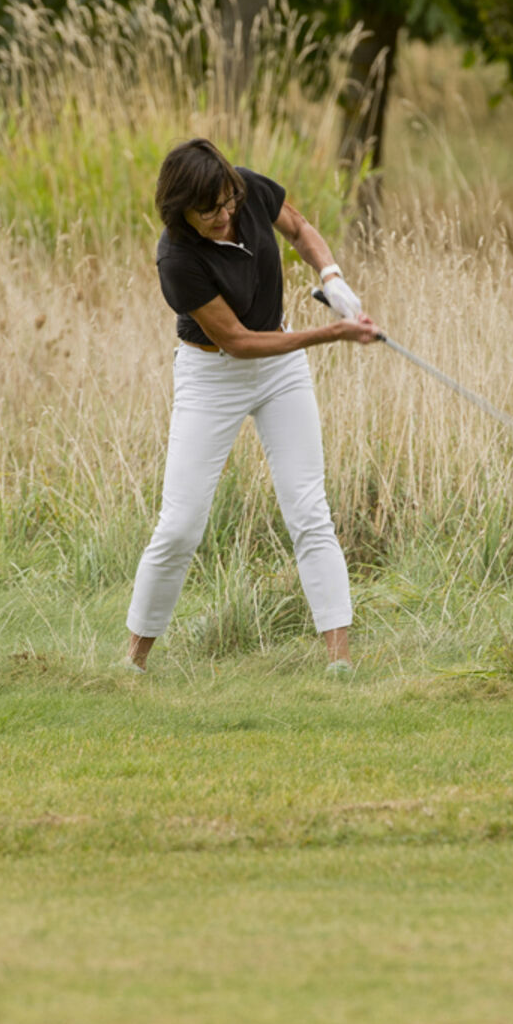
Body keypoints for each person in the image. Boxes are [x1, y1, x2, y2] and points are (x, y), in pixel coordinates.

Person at [124, 138, 379, 674]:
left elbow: (300, 229)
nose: (224, 216)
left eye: (227, 202)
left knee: (309, 510)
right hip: (211, 376)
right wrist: (330, 334)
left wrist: (332, 277)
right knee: (180, 525)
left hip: (280, 370)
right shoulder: (177, 258)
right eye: (208, 211)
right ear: (180, 211)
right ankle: (133, 663)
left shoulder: (245, 189)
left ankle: (340, 664)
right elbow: (238, 342)